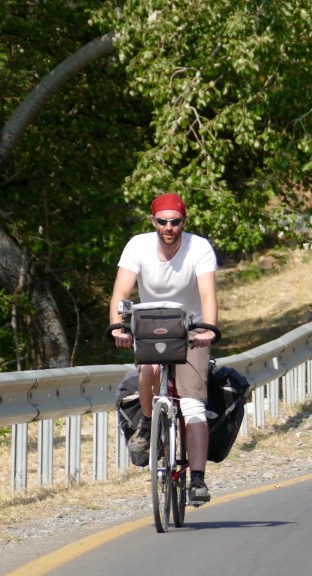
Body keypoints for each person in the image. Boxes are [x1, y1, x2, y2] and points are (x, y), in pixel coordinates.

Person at [110, 192, 219, 504]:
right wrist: (119, 326)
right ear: (153, 221)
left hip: (191, 329)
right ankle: (146, 424)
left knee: (193, 404)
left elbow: (208, 295)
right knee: (148, 370)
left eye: (175, 222)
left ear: (184, 222)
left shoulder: (198, 247)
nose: (168, 227)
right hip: (151, 325)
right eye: (162, 221)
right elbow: (121, 292)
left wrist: (207, 331)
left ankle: (197, 479)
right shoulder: (138, 246)